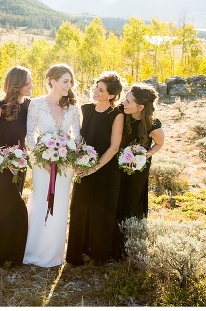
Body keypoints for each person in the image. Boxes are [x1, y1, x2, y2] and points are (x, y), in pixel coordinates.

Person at [23, 64, 81, 267]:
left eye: (71, 81)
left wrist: (72, 155)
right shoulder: (36, 104)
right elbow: (30, 135)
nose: (69, 85)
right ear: (52, 81)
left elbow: (77, 136)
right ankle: (33, 249)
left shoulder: (73, 107)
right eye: (66, 81)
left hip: (65, 166)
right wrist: (43, 157)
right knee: (41, 199)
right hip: (42, 163)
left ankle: (53, 255)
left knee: (60, 204)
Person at [66, 72, 125, 266]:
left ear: (111, 95)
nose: (95, 91)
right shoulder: (84, 109)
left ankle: (98, 253)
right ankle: (77, 253)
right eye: (95, 87)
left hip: (105, 170)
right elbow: (76, 139)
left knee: (100, 211)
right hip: (82, 167)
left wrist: (95, 168)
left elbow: (114, 147)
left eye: (101, 90)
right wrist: (76, 162)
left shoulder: (116, 115)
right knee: (79, 208)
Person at [0, 66, 33, 268]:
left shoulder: (30, 105)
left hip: (21, 162)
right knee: (9, 206)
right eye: (28, 83)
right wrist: (3, 161)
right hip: (2, 163)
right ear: (17, 84)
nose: (31, 86)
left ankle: (12, 253)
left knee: (12, 206)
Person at [112, 83, 165, 259]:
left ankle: (130, 241)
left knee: (132, 199)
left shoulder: (153, 125)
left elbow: (159, 143)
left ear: (141, 107)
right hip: (117, 164)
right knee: (117, 198)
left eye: (128, 101)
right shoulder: (122, 113)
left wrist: (145, 155)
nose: (123, 103)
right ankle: (113, 242)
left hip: (138, 168)